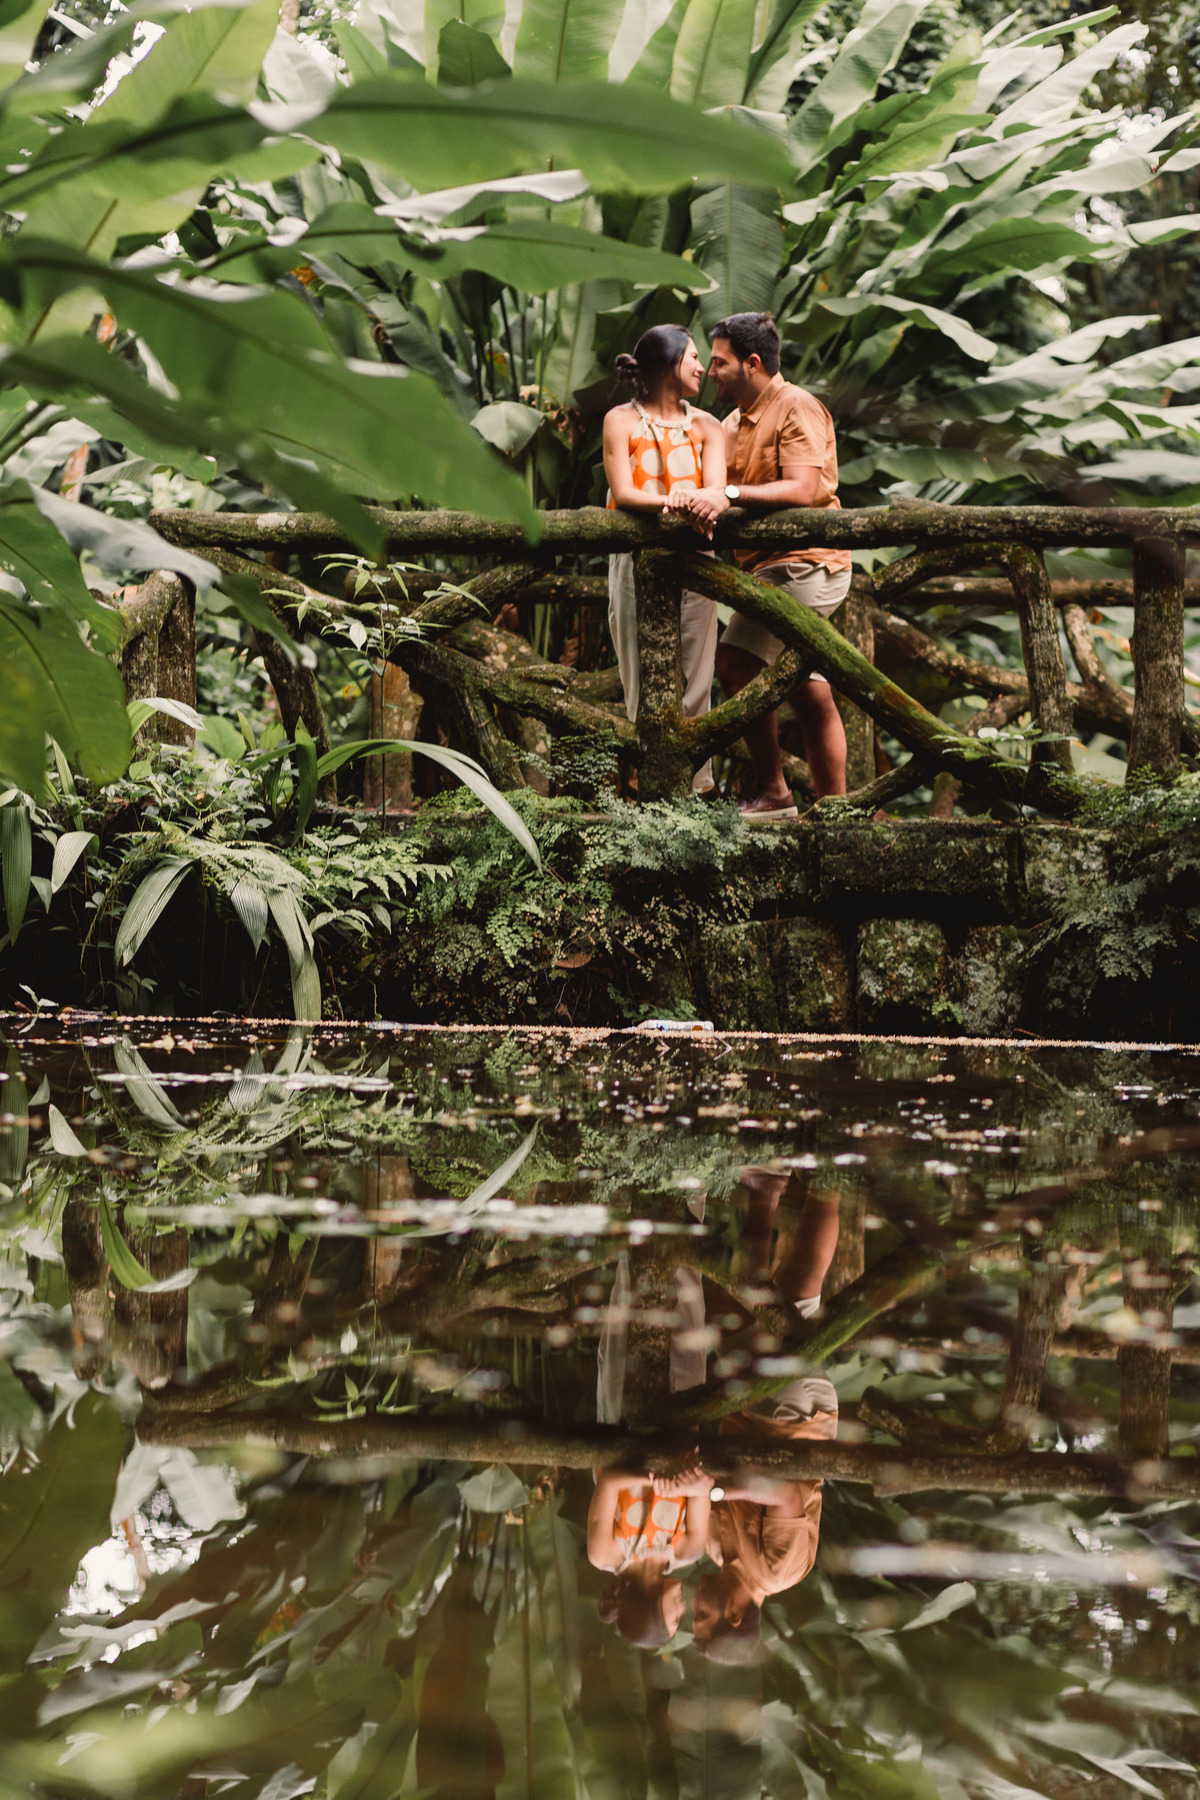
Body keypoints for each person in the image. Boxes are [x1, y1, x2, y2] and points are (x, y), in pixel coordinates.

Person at [678, 312, 853, 819]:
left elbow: (801, 489)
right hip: (767, 571)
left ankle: (774, 792)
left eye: (720, 362)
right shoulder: (730, 423)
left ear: (752, 364)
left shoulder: (797, 406)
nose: (711, 371)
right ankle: (835, 812)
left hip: (808, 566)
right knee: (807, 689)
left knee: (736, 662)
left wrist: (727, 493)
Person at [603, 325, 726, 795]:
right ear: (668, 363)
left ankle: (697, 785)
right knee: (634, 663)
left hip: (698, 559)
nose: (702, 367)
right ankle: (646, 779)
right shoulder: (620, 419)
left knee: (699, 669)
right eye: (693, 357)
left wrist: (694, 499)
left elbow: (713, 490)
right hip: (632, 558)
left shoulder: (708, 426)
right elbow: (624, 493)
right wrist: (675, 503)